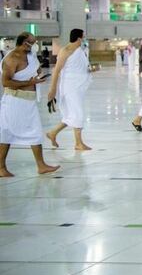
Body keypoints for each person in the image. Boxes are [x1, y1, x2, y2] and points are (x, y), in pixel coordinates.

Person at [0, 32, 60, 177]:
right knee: (7, 133)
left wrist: (37, 73)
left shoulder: (30, 56)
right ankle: (1, 167)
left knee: (35, 132)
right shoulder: (11, 58)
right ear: (23, 42)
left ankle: (41, 166)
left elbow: (35, 70)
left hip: (29, 102)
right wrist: (30, 82)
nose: (33, 45)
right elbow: (6, 82)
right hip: (14, 102)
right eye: (31, 43)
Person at [46, 29, 95, 151]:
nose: (84, 39)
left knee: (72, 114)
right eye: (83, 37)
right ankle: (78, 143)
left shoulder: (81, 51)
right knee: (78, 112)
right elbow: (56, 70)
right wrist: (52, 89)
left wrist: (91, 70)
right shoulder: (66, 50)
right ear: (79, 38)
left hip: (78, 86)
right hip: (70, 87)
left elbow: (80, 68)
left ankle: (53, 133)